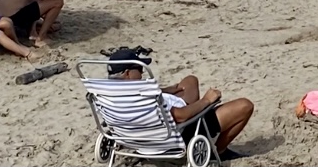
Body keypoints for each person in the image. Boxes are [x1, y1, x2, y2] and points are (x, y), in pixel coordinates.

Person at [107, 49, 253, 159]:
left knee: (190, 80)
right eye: (139, 69)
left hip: (136, 139)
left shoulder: (105, 94)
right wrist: (207, 100)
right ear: (127, 73)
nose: (142, 73)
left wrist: (162, 91)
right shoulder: (145, 98)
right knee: (245, 106)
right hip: (172, 137)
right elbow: (180, 116)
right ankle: (219, 151)